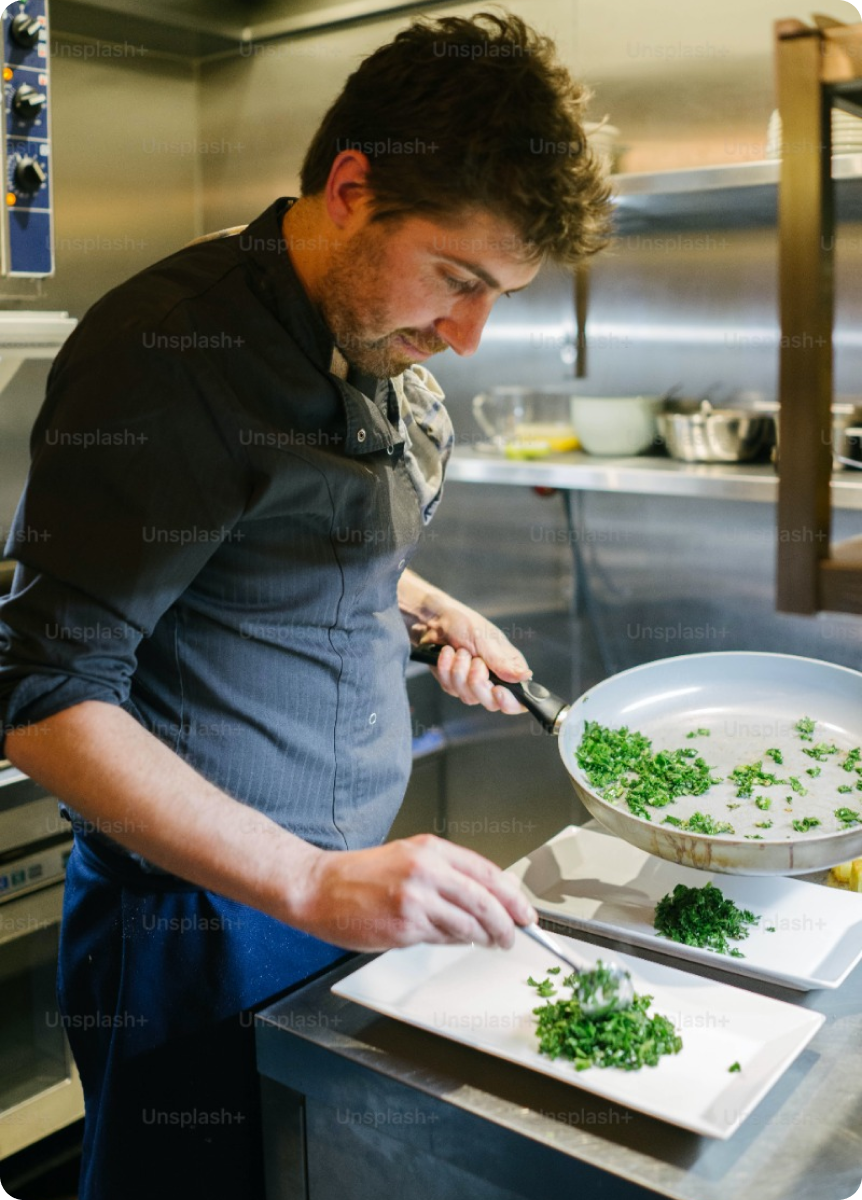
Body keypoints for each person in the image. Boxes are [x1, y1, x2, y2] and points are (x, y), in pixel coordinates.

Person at [0, 10, 610, 1199]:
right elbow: (40, 696)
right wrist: (307, 884)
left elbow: (293, 548)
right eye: (458, 279)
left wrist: (427, 609)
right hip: (196, 923)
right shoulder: (168, 354)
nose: (468, 336)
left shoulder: (369, 338)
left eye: (503, 295)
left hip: (327, 889)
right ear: (348, 188)